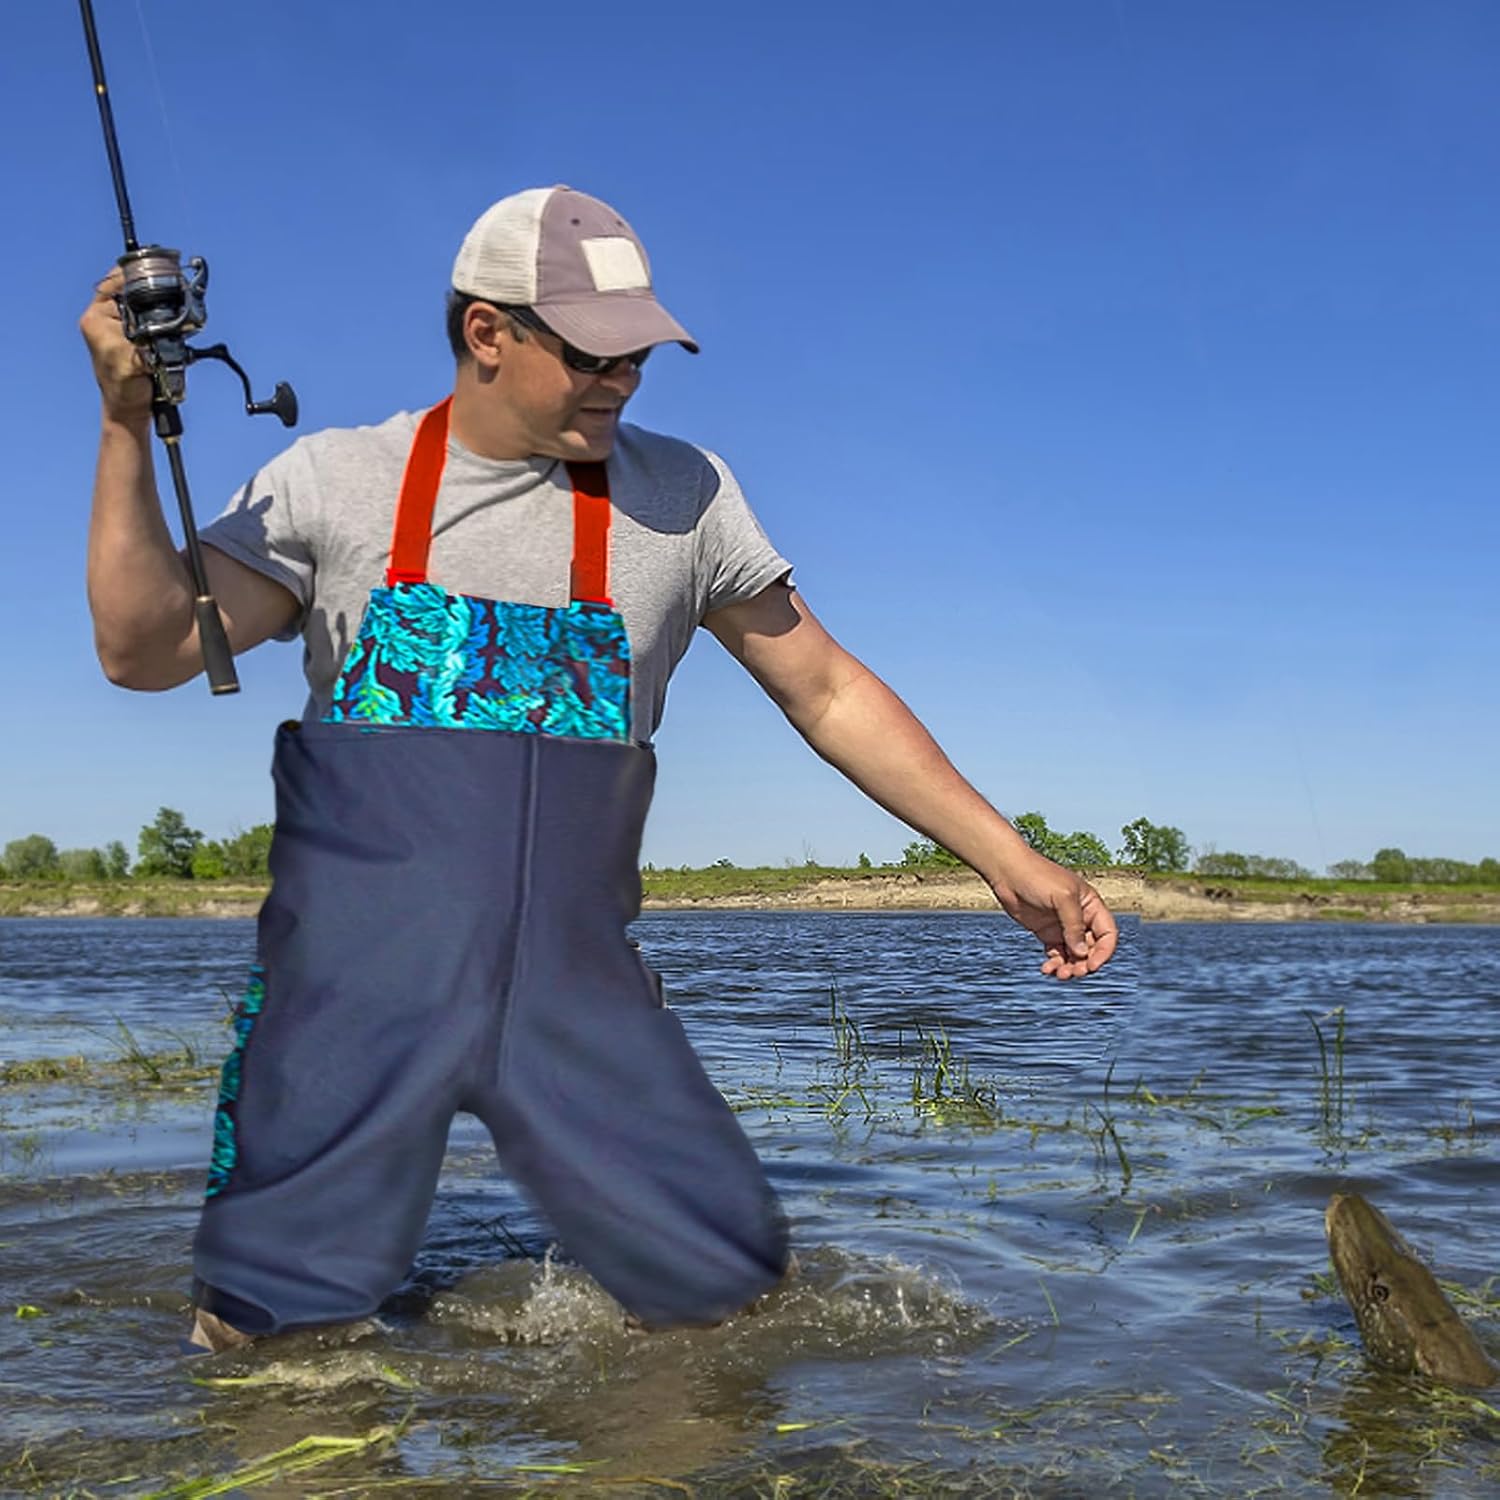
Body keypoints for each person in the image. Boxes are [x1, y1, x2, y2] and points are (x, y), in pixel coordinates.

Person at [80, 185, 1118, 1353]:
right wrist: (128, 425)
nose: (621, 381)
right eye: (590, 354)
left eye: (638, 356)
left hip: (573, 987)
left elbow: (825, 689)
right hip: (351, 994)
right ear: (486, 332)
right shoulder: (336, 483)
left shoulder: (686, 495)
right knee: (277, 1345)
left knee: (721, 1311)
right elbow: (143, 648)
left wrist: (1010, 861)